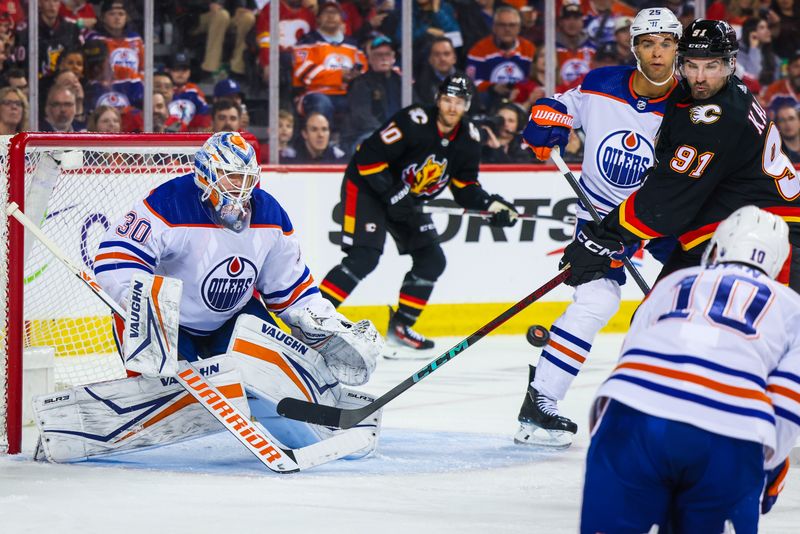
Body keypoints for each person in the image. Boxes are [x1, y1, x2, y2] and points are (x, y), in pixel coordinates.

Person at [92, 131, 383, 462]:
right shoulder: (167, 203)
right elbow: (115, 259)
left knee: (278, 368)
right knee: (171, 398)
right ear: (205, 176)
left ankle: (319, 421)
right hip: (171, 323)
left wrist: (325, 323)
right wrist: (144, 302)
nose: (240, 189)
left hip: (233, 319)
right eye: (231, 177)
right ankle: (137, 407)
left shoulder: (270, 215)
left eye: (246, 178)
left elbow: (292, 290)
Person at [514, 7, 683, 448]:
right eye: (648, 42)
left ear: (678, 48)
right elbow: (556, 110)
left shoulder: (689, 106)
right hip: (600, 216)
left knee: (687, 297)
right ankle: (541, 401)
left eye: (667, 42)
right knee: (596, 300)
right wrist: (544, 123)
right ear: (635, 47)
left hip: (659, 218)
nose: (658, 52)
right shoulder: (601, 83)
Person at [560, 21, 800, 317]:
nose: (700, 78)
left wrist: (601, 238)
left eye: (711, 66)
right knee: (652, 320)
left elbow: (665, 202)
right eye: (691, 65)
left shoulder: (715, 118)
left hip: (770, 236)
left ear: (730, 64)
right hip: (729, 225)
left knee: (755, 335)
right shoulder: (722, 91)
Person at [580, 206, 797, 533]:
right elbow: (788, 399)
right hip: (731, 431)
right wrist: (769, 462)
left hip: (632, 415)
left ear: (717, 246)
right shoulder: (791, 306)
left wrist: (607, 436)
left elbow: (628, 360)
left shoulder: (676, 280)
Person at [318, 75, 518, 355]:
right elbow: (368, 159)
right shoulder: (413, 122)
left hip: (407, 199)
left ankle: (400, 328)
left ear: (467, 105)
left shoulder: (469, 139)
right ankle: (313, 320)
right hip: (368, 188)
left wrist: (491, 205)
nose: (451, 107)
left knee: (431, 260)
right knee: (364, 257)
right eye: (447, 100)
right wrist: (394, 193)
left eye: (458, 102)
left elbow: (465, 187)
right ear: (438, 99)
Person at [293, 1, 366, 125]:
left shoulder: (353, 45)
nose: (331, 16)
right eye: (326, 12)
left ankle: (351, 143)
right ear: (318, 18)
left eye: (335, 12)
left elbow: (364, 70)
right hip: (315, 94)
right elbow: (303, 71)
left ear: (342, 19)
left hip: (347, 94)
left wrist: (354, 77)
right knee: (321, 102)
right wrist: (339, 76)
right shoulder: (307, 41)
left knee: (361, 102)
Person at [466, 6, 535, 111]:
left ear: (519, 28)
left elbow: (535, 78)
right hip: (490, 103)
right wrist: (492, 87)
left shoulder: (529, 49)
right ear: (494, 27)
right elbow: (472, 81)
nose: (507, 29)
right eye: (502, 25)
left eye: (512, 25)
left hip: (523, 101)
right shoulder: (479, 49)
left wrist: (521, 89)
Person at [343, 35, 403, 154]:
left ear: (393, 58)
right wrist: (388, 133)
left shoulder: (402, 82)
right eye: (378, 55)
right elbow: (362, 116)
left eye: (387, 54)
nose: (383, 58)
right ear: (369, 59)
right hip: (368, 134)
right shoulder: (361, 83)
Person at [86, 0, 145, 109]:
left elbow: (142, 68)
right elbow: (93, 71)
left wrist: (138, 84)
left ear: (126, 17)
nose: (117, 18)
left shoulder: (135, 39)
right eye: (112, 14)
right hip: (105, 90)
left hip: (132, 89)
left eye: (121, 14)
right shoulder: (95, 39)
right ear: (103, 17)